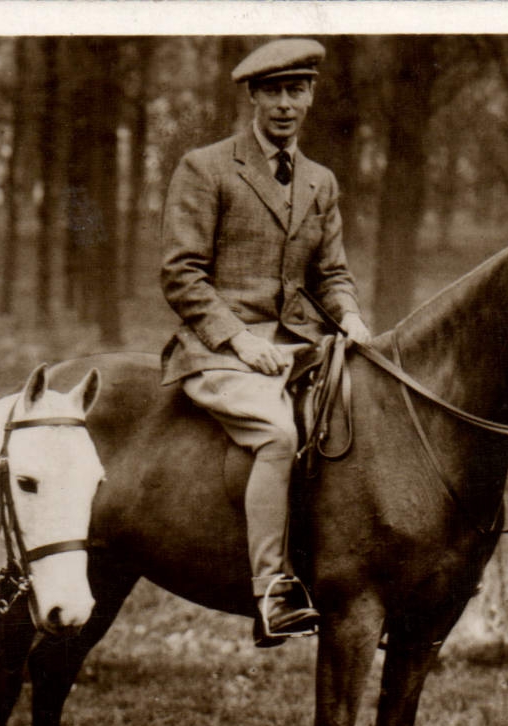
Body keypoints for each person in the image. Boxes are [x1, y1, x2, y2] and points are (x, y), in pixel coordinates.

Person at [159, 38, 372, 646]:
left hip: (302, 347)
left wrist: (351, 317)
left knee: (371, 420)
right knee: (279, 436)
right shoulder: (207, 167)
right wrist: (237, 341)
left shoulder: (320, 181)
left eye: (296, 90)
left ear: (311, 96)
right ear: (253, 96)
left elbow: (330, 274)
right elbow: (182, 273)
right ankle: (273, 590)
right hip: (217, 350)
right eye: (273, 91)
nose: (285, 104)